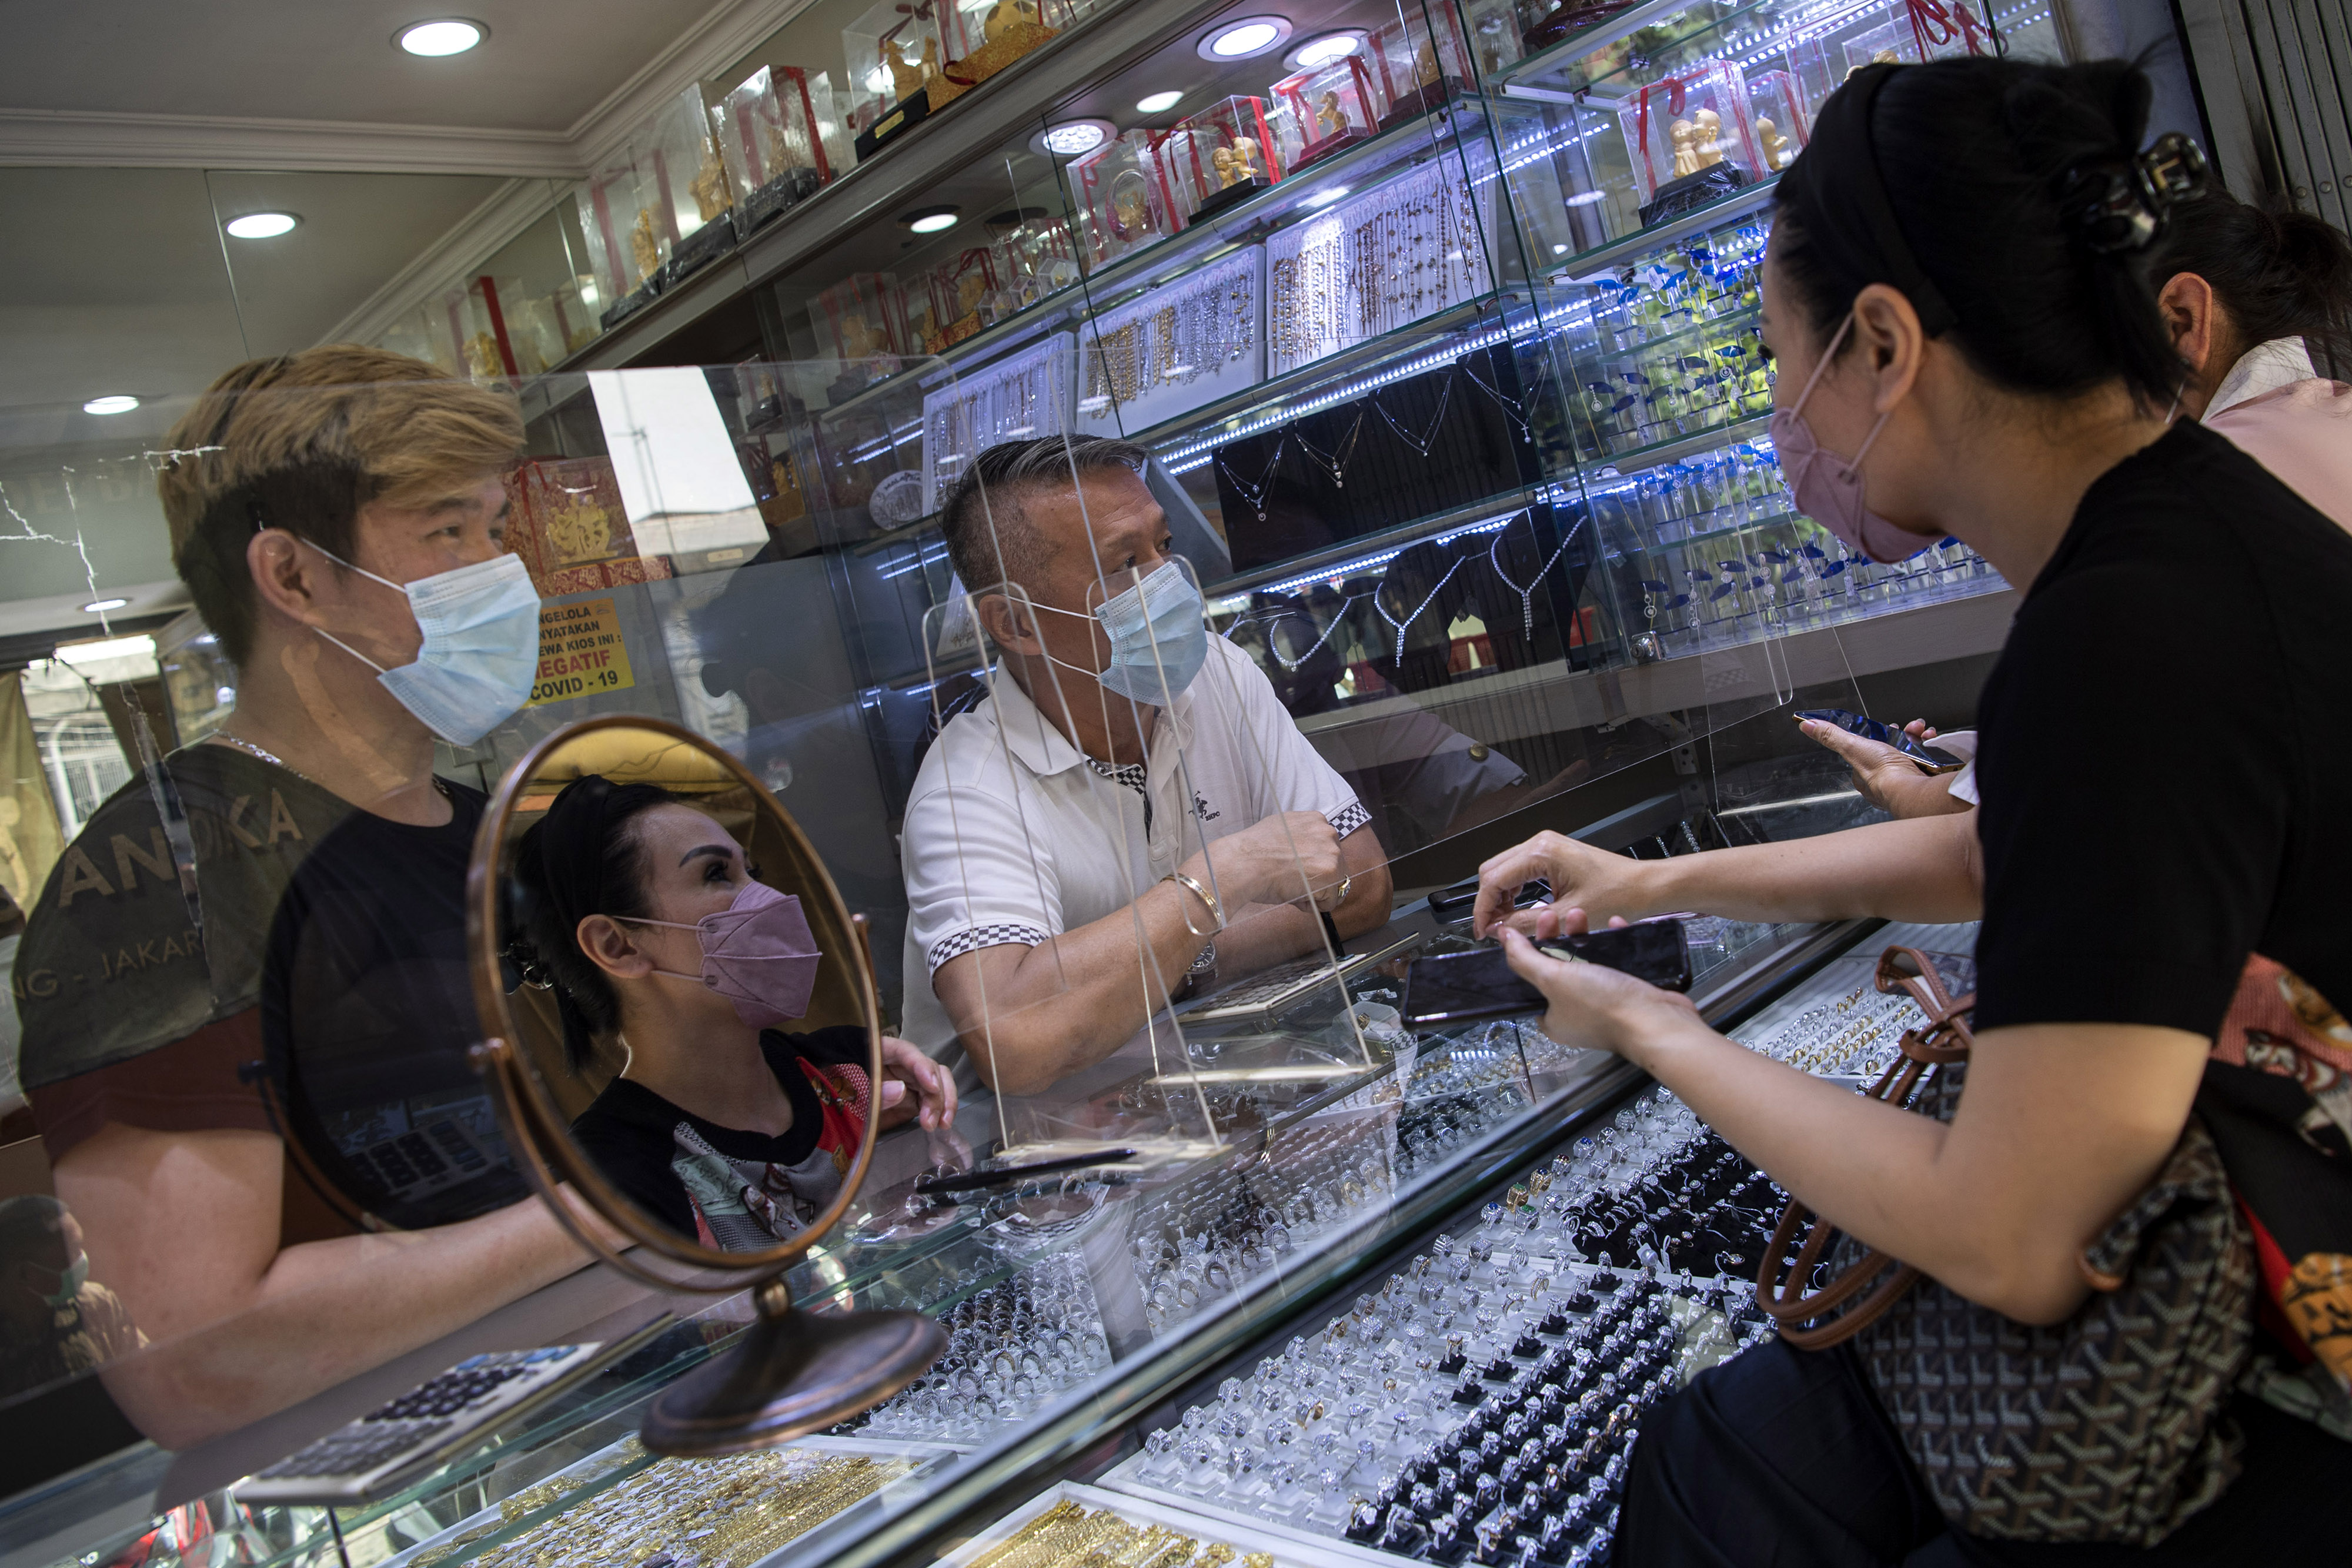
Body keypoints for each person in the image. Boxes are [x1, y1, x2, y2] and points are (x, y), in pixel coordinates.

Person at [1475, 58, 2347, 1561]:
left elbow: (2013, 1236)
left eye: (1774, 357)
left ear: (1882, 343)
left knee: (1715, 1474)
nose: (1777, 416)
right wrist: (1648, 888)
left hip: (2289, 1411)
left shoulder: (2121, 630)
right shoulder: (2194, 530)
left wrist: (1652, 1031)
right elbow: (2006, 852)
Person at [8, 347, 610, 1447]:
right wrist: (613, 1207)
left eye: (492, 527)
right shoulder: (168, 877)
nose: (499, 571)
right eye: (446, 532)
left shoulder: (481, 829)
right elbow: (191, 1354)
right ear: (291, 577)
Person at [1810, 193, 2352, 819]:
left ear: (2179, 323)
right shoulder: (2317, 417)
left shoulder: (2209, 495)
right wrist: (1983, 765)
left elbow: (2084, 812)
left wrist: (1919, 794)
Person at [899, 436, 1392, 1096]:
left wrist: (1180, 959)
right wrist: (1224, 880)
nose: (1166, 583)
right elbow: (1019, 1041)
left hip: (1214, 1096)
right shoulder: (963, 791)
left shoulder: (1216, 672)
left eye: (1164, 546)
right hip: (1041, 1167)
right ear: (1015, 622)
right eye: (1126, 562)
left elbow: (1360, 880)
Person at [510, 775, 953, 1246]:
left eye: (752, 872)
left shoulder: (851, 1070)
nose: (775, 900)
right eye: (716, 874)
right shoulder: (614, 1173)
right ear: (617, 945)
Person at [0, 1196, 143, 1402]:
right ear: (25, 1274)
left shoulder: (96, 1304)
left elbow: (147, 1378)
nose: (82, 1259)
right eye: (72, 1252)